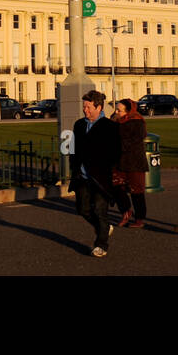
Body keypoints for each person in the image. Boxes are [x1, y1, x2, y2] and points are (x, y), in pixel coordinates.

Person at [70, 90, 121, 257]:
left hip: (101, 178)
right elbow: (74, 149)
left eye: (88, 107)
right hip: (82, 177)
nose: (85, 110)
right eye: (84, 106)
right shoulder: (78, 125)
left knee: (100, 210)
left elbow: (117, 153)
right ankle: (105, 227)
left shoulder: (110, 127)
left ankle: (101, 245)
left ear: (99, 107)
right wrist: (74, 168)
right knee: (83, 209)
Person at [114, 99, 148, 229]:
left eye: (119, 110)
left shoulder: (137, 122)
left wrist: (117, 145)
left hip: (134, 162)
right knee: (116, 186)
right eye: (116, 109)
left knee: (136, 191)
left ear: (128, 111)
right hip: (119, 160)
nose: (116, 112)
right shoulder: (116, 121)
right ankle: (126, 211)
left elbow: (134, 142)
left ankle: (139, 218)